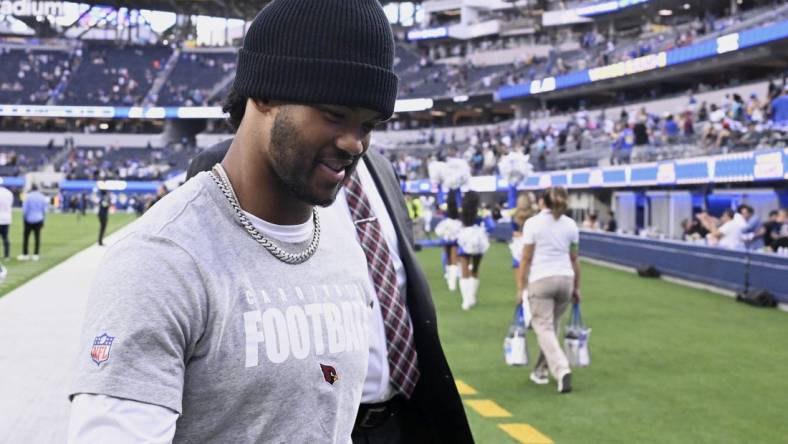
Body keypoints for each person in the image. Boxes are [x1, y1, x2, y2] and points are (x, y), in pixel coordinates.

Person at [95, 1, 473, 443]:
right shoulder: (163, 257)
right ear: (266, 93)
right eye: (334, 114)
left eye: (369, 124)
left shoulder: (336, 237)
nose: (355, 143)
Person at [517, 187, 581, 394]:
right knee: (550, 328)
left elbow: (526, 258)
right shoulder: (571, 225)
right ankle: (540, 371)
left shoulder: (533, 224)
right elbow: (574, 258)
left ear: (542, 202)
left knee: (543, 328)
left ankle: (561, 369)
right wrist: (577, 287)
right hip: (566, 278)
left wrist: (521, 287)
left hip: (541, 279)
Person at [456, 191, 490, 311]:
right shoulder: (481, 212)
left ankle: (466, 301)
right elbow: (490, 225)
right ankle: (472, 297)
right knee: (475, 269)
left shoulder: (461, 212)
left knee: (464, 270)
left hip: (464, 240)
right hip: (477, 241)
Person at [18, 184, 47, 261]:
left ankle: (25, 254)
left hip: (29, 219)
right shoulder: (42, 197)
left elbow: (25, 210)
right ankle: (36, 254)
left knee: (26, 238)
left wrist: (24, 218)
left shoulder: (27, 196)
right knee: (37, 237)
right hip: (39, 219)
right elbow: (44, 210)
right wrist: (44, 220)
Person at [0, 185, 12, 260]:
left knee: (5, 238)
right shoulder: (9, 193)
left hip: (3, 217)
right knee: (5, 237)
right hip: (6, 218)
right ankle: (7, 255)